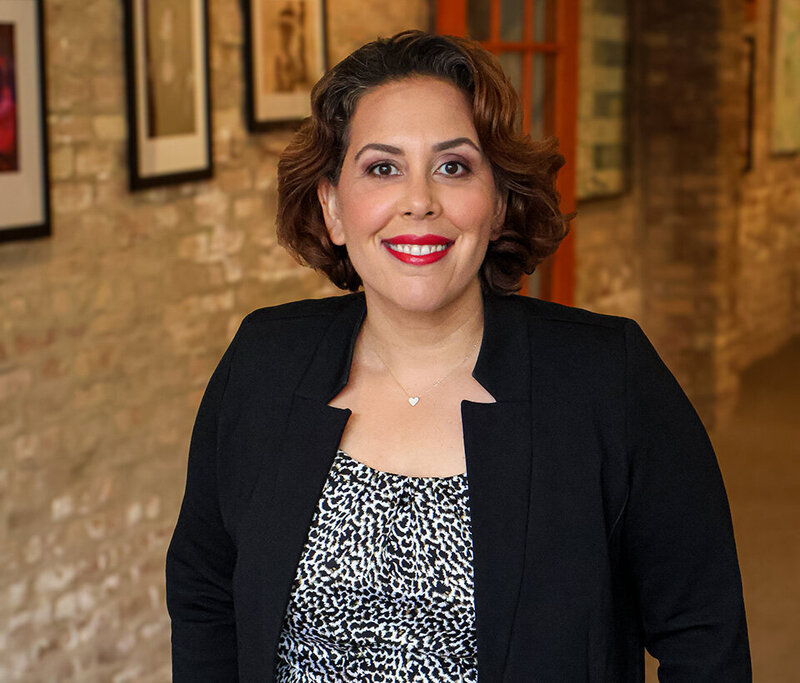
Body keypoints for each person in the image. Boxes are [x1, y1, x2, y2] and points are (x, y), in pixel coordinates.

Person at [166, 30, 751, 682]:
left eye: (453, 166)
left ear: (499, 201)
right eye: (382, 167)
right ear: (333, 207)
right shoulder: (263, 363)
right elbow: (203, 590)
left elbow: (705, 635)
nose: (419, 200)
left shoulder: (607, 379)